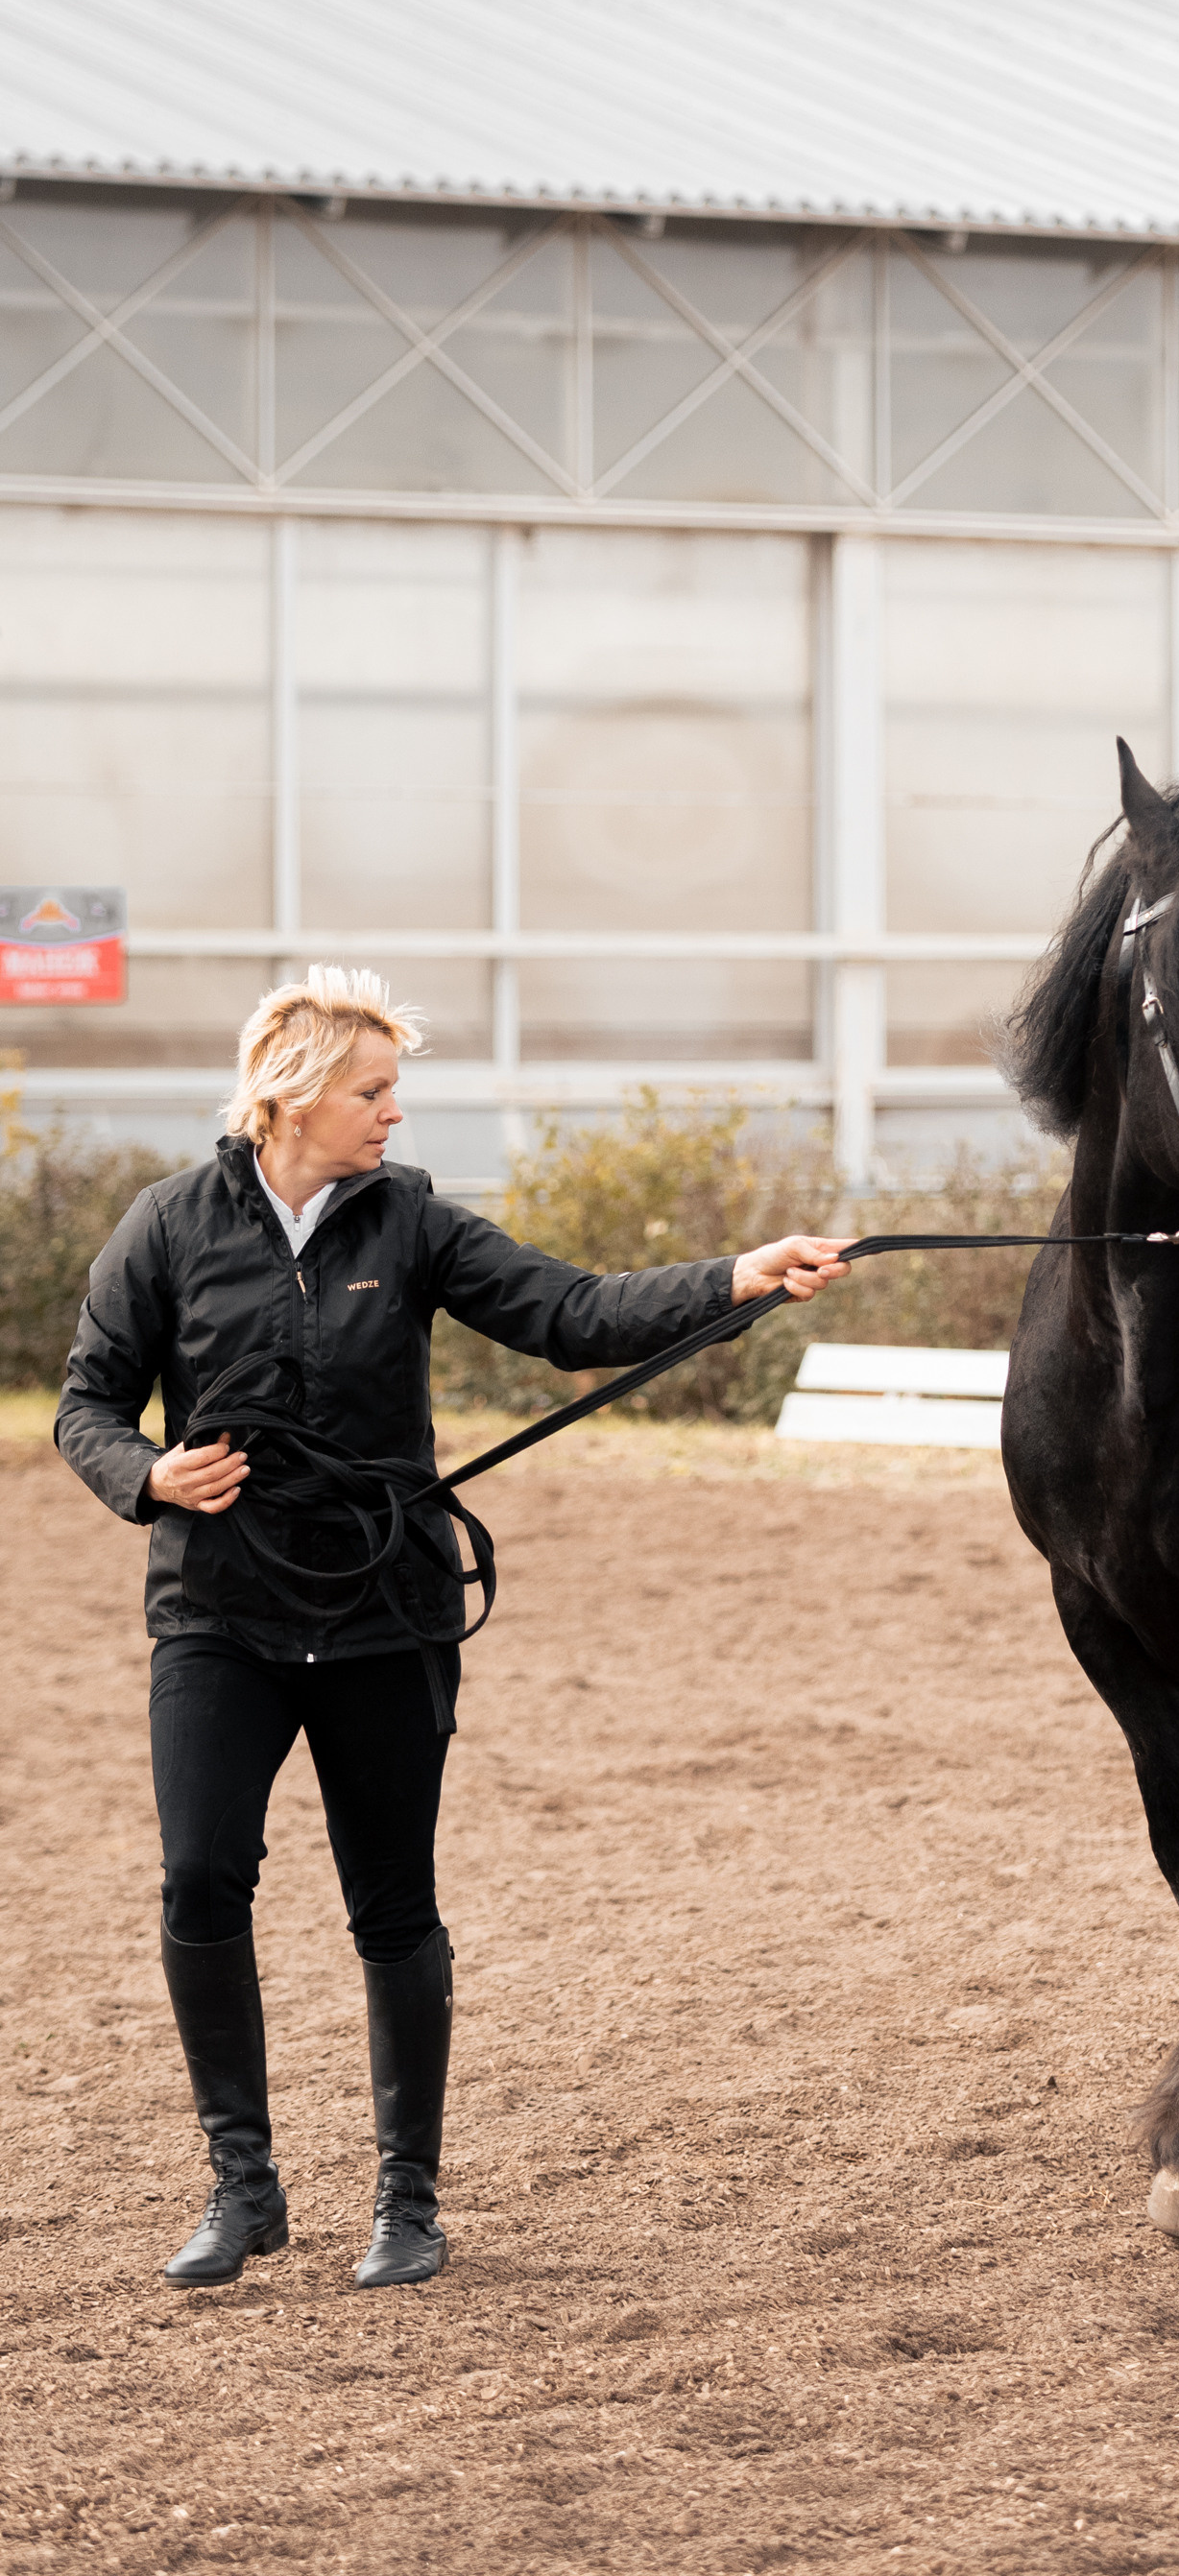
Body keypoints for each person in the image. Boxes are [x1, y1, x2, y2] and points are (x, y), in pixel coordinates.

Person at [55, 967, 850, 2294]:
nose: (392, 1113)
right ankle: (241, 2187)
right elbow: (87, 1403)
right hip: (219, 1614)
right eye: (371, 1092)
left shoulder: (411, 1222)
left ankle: (405, 2203)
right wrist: (148, 1476)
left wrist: (737, 1277)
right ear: (292, 1095)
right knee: (199, 1879)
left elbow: (575, 1312)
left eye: (392, 1091)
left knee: (392, 1906)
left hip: (385, 1615)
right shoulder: (169, 1224)